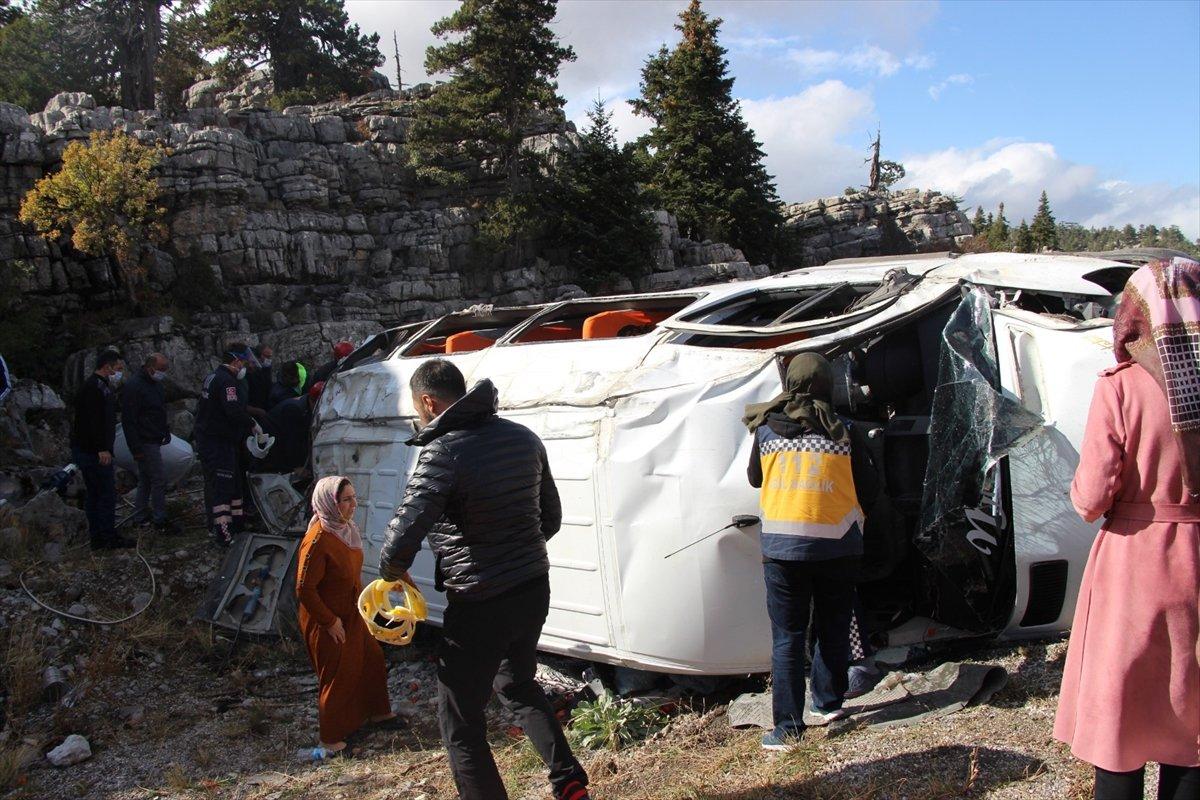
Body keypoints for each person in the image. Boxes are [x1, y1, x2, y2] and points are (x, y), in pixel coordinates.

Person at [379, 359, 590, 800]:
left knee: (460, 722)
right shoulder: (523, 438)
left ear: (428, 401)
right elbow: (549, 518)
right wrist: (516, 553)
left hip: (480, 600)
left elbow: (405, 530)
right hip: (532, 587)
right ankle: (568, 781)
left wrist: (391, 574)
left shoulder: (442, 451)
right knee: (518, 684)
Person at [1054, 258, 1200, 800]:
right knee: (1191, 722)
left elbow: (1092, 498)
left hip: (1136, 562)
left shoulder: (1123, 386)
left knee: (1120, 718)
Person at [743, 352, 866, 750]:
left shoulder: (765, 430)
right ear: (826, 384)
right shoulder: (844, 431)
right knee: (833, 626)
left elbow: (754, 478)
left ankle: (787, 729)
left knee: (788, 638)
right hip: (839, 545)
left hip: (783, 550)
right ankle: (828, 703)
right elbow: (871, 487)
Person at [296, 476, 399, 760]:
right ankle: (331, 740)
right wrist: (329, 622)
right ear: (330, 503)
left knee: (371, 658)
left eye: (354, 497)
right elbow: (304, 588)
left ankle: (378, 713)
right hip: (327, 619)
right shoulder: (317, 539)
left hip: (352, 611)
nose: (354, 504)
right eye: (346, 500)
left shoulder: (345, 529)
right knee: (338, 673)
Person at [71, 348, 133, 549]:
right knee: (103, 494)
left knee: (97, 494)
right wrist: (101, 448)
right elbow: (91, 422)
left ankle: (100, 535)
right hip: (94, 452)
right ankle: (106, 537)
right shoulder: (93, 388)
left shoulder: (101, 386)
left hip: (94, 449)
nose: (119, 372)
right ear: (107, 367)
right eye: (118, 368)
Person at [195, 346, 254, 547]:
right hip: (218, 442)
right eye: (243, 363)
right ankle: (223, 532)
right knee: (222, 486)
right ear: (236, 361)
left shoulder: (212, 377)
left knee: (233, 484)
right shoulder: (228, 382)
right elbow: (233, 411)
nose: (244, 367)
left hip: (214, 440)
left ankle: (237, 524)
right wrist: (252, 423)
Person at [121, 352, 178, 534]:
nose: (163, 373)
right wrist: (135, 448)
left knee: (146, 479)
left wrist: (165, 430)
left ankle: (140, 516)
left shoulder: (156, 384)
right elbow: (129, 420)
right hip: (144, 440)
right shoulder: (134, 387)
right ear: (151, 367)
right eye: (161, 369)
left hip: (154, 436)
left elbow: (159, 409)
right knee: (158, 479)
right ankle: (159, 518)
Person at [255, 381, 323, 475]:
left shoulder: (305, 405)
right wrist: (296, 467)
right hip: (271, 444)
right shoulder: (294, 409)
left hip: (278, 441)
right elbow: (292, 440)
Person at [247, 344, 274, 411]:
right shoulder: (251, 371)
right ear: (259, 356)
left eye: (270, 357)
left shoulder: (267, 368)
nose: (268, 359)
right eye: (266, 356)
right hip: (256, 406)